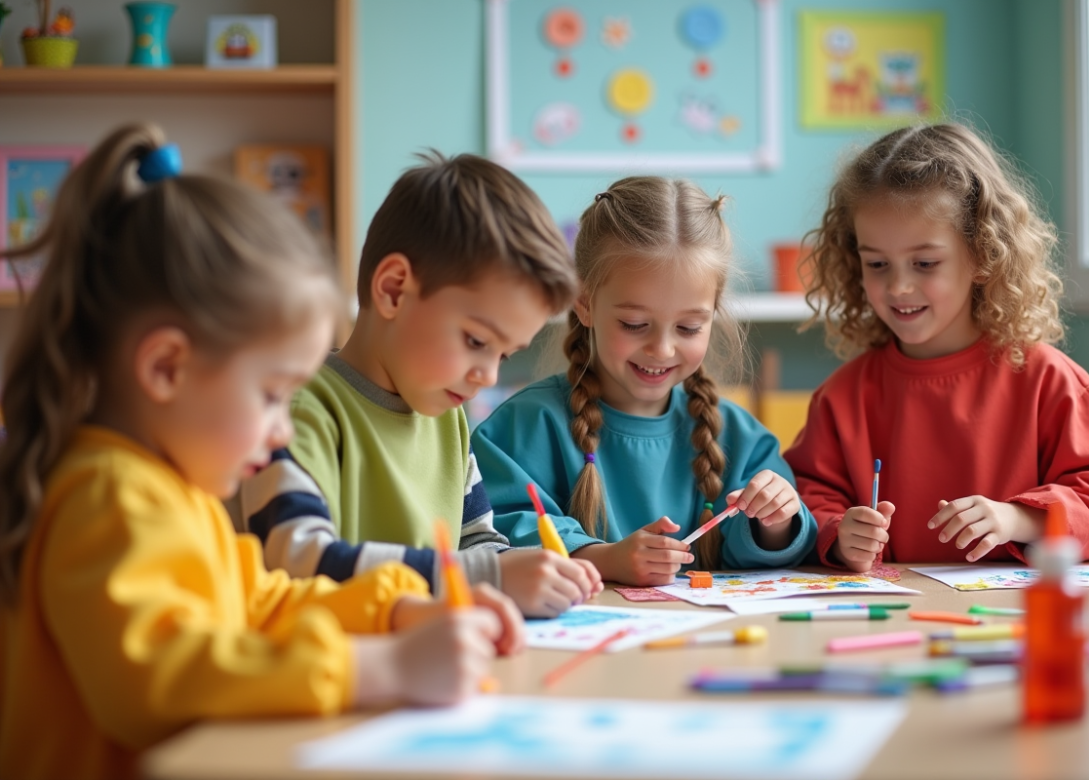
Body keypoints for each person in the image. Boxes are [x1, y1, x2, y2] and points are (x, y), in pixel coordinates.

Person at [0, 124, 523, 780]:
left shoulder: (174, 490)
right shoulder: (108, 496)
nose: (282, 431)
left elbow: (262, 604)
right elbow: (159, 677)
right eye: (273, 394)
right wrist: (380, 667)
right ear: (167, 368)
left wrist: (394, 608)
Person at [236, 151, 601, 617]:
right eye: (475, 340)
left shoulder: (447, 417)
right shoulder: (295, 411)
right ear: (393, 290)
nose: (488, 375)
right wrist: (488, 578)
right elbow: (296, 561)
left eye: (504, 355)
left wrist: (534, 572)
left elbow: (479, 546)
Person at [784, 123, 1089, 572]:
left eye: (925, 263)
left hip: (1015, 625)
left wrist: (1021, 517)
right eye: (877, 263)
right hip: (886, 622)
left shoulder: (1047, 380)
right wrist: (838, 534)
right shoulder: (843, 396)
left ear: (981, 254)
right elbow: (805, 500)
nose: (898, 285)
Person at [473, 177, 817, 586]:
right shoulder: (524, 426)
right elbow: (491, 533)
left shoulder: (740, 438)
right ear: (584, 302)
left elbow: (775, 548)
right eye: (634, 324)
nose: (661, 349)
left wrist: (775, 519)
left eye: (689, 327)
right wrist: (603, 559)